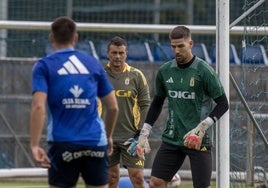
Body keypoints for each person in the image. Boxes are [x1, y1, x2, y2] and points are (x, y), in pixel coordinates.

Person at [30, 16, 119, 188]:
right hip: (95, 142)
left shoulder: (43, 66)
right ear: (76, 37)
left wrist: (34, 145)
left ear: (51, 38)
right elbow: (113, 107)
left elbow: (38, 105)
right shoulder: (93, 63)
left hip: (63, 142)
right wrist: (107, 136)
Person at [137, 25, 229, 188]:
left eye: (181, 46)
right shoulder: (165, 71)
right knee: (156, 183)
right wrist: (144, 132)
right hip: (172, 137)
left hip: (198, 139)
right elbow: (157, 103)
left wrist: (202, 128)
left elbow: (223, 104)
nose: (177, 50)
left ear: (190, 44)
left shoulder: (204, 71)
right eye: (173, 46)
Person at [103, 36, 151, 188]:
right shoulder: (100, 75)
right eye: (114, 53)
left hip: (131, 137)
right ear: (107, 54)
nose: (117, 56)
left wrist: (142, 134)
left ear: (126, 54)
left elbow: (145, 105)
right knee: (111, 178)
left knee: (137, 177)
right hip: (106, 136)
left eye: (121, 53)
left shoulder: (136, 75)